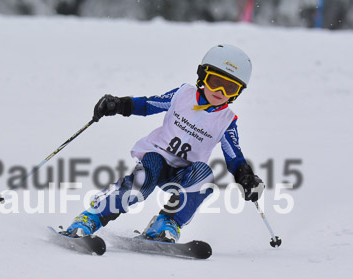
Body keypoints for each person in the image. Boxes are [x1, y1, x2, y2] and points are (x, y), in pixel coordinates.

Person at [65, 44, 264, 242]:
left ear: (237, 92)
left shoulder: (226, 121)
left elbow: (234, 157)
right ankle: (89, 218)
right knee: (141, 183)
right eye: (215, 82)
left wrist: (245, 177)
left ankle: (165, 224)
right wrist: (119, 104)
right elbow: (149, 104)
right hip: (156, 160)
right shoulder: (183, 95)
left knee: (205, 177)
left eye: (230, 87)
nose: (220, 91)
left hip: (183, 174)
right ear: (203, 76)